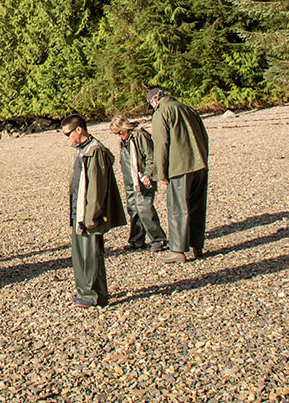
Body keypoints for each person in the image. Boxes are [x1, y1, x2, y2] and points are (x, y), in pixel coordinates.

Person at [60, 115, 126, 308]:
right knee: (80, 255)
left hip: (87, 214)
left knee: (91, 255)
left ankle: (95, 296)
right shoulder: (82, 150)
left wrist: (91, 216)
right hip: (78, 210)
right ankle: (84, 291)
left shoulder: (94, 150)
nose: (67, 138)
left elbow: (96, 188)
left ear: (78, 130)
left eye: (68, 134)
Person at [147, 87, 210, 263]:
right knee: (197, 207)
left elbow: (161, 144)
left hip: (179, 167)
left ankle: (177, 249)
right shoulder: (188, 108)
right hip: (199, 165)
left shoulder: (162, 112)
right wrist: (203, 159)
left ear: (154, 101)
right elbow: (204, 136)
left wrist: (161, 172)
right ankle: (195, 246)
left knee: (177, 208)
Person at [109, 115, 167, 253]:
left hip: (142, 179)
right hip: (130, 180)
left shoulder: (139, 135)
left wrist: (148, 174)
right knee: (133, 209)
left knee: (145, 208)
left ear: (125, 128)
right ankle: (137, 240)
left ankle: (158, 239)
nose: (119, 136)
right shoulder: (125, 140)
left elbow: (150, 156)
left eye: (119, 133)